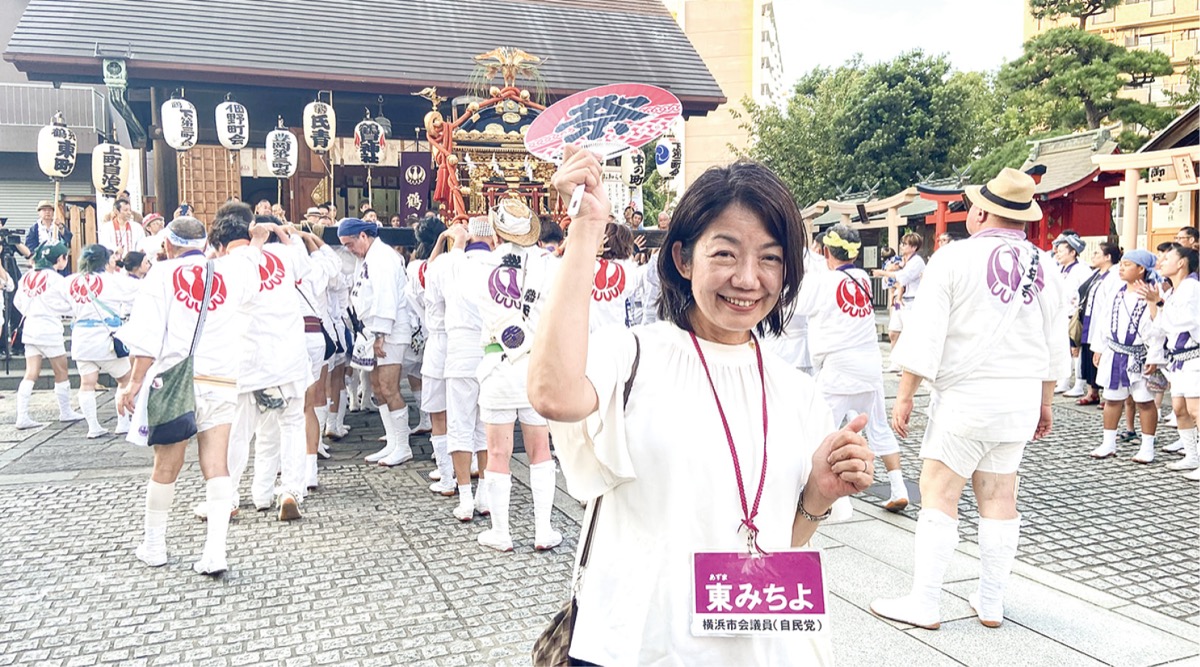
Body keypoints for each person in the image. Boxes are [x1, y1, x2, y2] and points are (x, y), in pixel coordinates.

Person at [530, 149, 875, 664]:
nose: (747, 278)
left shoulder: (796, 391)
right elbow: (553, 394)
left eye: (771, 258)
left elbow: (786, 541)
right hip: (638, 645)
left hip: (757, 647)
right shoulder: (633, 353)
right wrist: (586, 228)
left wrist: (819, 495)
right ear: (683, 258)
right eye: (726, 253)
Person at [872, 168, 1068, 630]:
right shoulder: (1047, 266)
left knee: (940, 494)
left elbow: (926, 334)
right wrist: (1046, 402)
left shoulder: (954, 258)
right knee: (1001, 497)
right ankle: (992, 601)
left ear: (981, 211)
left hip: (965, 400)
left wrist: (904, 396)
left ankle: (925, 602)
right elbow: (1053, 343)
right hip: (1019, 400)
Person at [117, 216, 273, 576]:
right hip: (220, 378)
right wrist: (257, 242)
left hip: (174, 379)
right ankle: (215, 552)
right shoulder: (229, 273)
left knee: (166, 465)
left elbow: (147, 336)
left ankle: (154, 545)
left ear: (168, 245)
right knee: (216, 464)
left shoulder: (160, 274)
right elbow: (252, 275)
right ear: (204, 244)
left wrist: (134, 382)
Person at [795, 224, 909, 511]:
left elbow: (798, 306)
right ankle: (898, 487)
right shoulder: (862, 278)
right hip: (870, 364)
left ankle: (812, 490)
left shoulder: (823, 282)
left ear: (825, 252)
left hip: (838, 366)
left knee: (818, 427)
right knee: (880, 428)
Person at [471, 198, 561, 552]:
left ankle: (501, 532)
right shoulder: (548, 265)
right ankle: (543, 530)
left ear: (497, 230)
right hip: (535, 365)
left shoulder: (480, 265)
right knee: (541, 450)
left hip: (497, 364)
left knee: (497, 452)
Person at [339, 217, 414, 467]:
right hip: (371, 330)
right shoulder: (368, 258)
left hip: (389, 330)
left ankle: (403, 446)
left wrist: (381, 333)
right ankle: (392, 442)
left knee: (389, 386)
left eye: (350, 244)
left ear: (363, 236)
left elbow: (386, 297)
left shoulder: (382, 257)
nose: (349, 249)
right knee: (376, 385)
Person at [1088, 249, 1164, 463]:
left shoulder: (1154, 293)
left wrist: (1154, 357)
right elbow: (1103, 319)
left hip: (1140, 354)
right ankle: (1108, 443)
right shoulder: (1116, 291)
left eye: (1128, 264)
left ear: (1141, 269)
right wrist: (1099, 347)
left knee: (1144, 402)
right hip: (1114, 351)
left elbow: (1159, 328)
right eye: (1121, 263)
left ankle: (1147, 446)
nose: (1121, 268)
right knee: (1112, 399)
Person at [441, 218, 493, 521]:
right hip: (490, 350)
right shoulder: (499, 265)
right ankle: (484, 493)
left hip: (459, 350)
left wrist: (457, 239)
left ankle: (464, 496)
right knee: (486, 424)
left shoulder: (454, 264)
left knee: (459, 424)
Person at [1137, 245, 1199, 474]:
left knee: (1195, 409)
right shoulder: (1174, 289)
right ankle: (1192, 456)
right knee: (1180, 408)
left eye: (1168, 257)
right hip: (1179, 357)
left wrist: (1160, 304)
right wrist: (1155, 302)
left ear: (1182, 262)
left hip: (1194, 355)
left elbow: (1187, 321)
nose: (1161, 261)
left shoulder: (1191, 287)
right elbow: (1160, 324)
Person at [65, 244, 138, 438]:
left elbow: (60, 306)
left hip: (80, 336)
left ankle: (93, 426)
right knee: (125, 379)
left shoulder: (71, 281)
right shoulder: (112, 281)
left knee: (86, 383)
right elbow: (137, 292)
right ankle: (123, 422)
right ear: (104, 261)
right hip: (105, 335)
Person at [13, 242, 82, 428]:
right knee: (61, 371)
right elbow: (65, 303)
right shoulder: (57, 279)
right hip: (49, 328)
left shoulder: (26, 277)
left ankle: (22, 415)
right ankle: (65, 410)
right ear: (59, 259)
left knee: (31, 373)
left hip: (30, 327)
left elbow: (18, 302)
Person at [1075, 242, 1122, 406]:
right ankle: (1092, 391)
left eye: (1096, 253)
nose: (1093, 256)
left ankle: (1106, 394)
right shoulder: (1096, 273)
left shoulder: (1114, 275)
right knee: (1088, 353)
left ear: (1108, 257)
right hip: (1090, 317)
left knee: (1101, 355)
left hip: (1103, 319)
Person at [872, 232, 925, 370]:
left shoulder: (917, 261)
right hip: (899, 300)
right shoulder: (901, 260)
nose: (902, 246)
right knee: (894, 332)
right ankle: (896, 362)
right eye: (902, 243)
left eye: (905, 244)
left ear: (913, 247)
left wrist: (883, 273)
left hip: (911, 301)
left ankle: (909, 365)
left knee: (909, 333)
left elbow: (903, 277)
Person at [1053, 231, 1091, 396]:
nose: (1058, 254)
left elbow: (1085, 291)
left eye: (1061, 251)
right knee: (1064, 348)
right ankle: (1064, 381)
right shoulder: (1060, 267)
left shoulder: (1082, 269)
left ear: (1072, 252)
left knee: (1077, 350)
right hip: (1061, 313)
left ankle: (1079, 383)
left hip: (1075, 314)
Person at [24, 201, 73, 272]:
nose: (47, 212)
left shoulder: (57, 225)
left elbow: (68, 237)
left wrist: (60, 226)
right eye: (44, 210)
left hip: (58, 260)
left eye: (50, 210)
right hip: (42, 261)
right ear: (39, 213)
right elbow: (30, 245)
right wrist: (35, 256)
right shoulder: (35, 228)